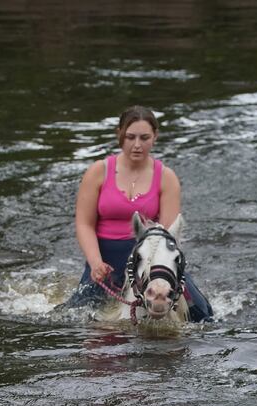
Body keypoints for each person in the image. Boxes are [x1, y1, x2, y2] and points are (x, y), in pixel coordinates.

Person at [67, 105, 213, 322]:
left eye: (144, 138)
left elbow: (167, 235)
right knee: (73, 316)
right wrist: (96, 262)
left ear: (155, 137)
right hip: (105, 262)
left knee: (202, 314)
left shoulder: (166, 177)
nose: (137, 145)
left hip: (150, 260)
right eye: (130, 137)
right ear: (120, 135)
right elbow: (84, 224)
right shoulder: (98, 172)